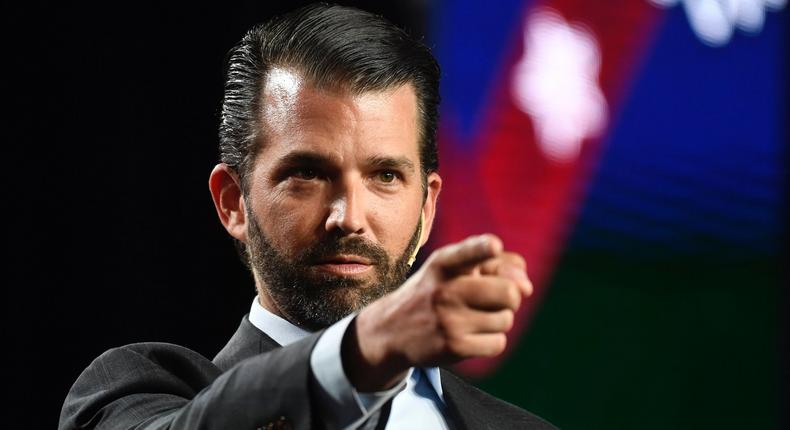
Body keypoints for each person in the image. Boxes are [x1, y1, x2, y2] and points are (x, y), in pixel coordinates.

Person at [59, 4, 557, 429]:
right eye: (307, 174)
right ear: (233, 202)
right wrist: (369, 346)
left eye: (385, 176)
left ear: (428, 208)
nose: (348, 217)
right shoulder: (132, 396)